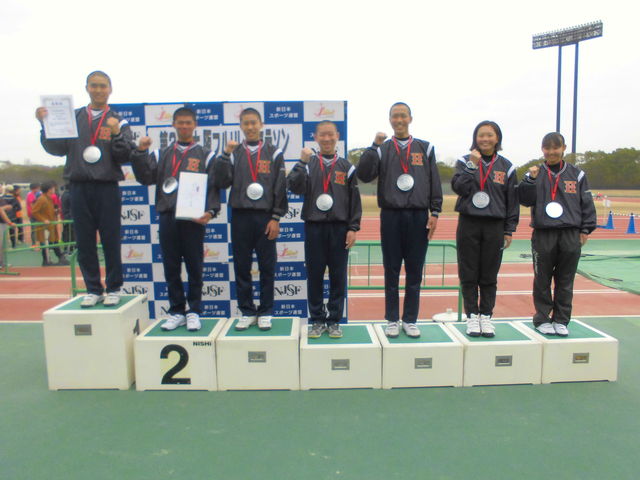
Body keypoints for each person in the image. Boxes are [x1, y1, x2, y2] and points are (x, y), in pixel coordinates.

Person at [35, 71, 134, 308]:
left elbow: (124, 155)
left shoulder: (118, 121)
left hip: (107, 187)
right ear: (87, 88)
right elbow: (57, 148)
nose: (98, 90)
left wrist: (117, 134)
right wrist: (44, 125)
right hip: (78, 186)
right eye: (94, 85)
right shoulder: (73, 117)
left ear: (110, 89)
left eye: (103, 86)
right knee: (84, 241)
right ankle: (93, 288)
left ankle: (114, 287)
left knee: (111, 240)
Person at [356, 102, 442, 338]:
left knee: (414, 272)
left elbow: (434, 181)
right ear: (390, 120)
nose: (399, 120)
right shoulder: (383, 149)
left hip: (418, 216)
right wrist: (373, 146)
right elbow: (364, 174)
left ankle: (410, 319)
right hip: (391, 215)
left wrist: (435, 212)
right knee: (391, 270)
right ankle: (392, 319)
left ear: (410, 119)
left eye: (403, 115)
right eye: (395, 116)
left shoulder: (425, 148)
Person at [130, 107, 220, 332]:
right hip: (168, 216)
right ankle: (177, 311)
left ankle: (195, 310)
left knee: (195, 267)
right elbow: (145, 177)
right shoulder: (161, 154)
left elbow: (213, 186)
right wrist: (140, 152)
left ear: (195, 125)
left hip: (193, 218)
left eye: (188, 122)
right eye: (180, 122)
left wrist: (211, 211)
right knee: (171, 266)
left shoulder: (206, 155)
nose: (184, 126)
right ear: (173, 125)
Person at [214, 108, 288, 331]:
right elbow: (222, 182)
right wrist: (224, 155)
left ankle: (265, 311)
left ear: (261, 124)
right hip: (240, 216)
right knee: (242, 266)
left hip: (266, 217)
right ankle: (246, 311)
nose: (250, 127)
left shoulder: (274, 153)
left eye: (254, 122)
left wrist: (276, 217)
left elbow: (280, 187)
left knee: (267, 267)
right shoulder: (234, 152)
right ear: (241, 126)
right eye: (246, 123)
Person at [287, 121, 362, 339]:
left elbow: (354, 200)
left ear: (337, 136)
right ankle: (317, 320)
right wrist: (301, 162)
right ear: (316, 137)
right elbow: (294, 186)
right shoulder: (308, 164)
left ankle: (334, 320)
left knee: (338, 276)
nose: (327, 139)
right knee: (315, 276)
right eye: (322, 135)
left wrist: (353, 227)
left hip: (339, 228)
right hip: (314, 227)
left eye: (331, 134)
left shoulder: (347, 167)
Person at [517, 132, 596, 336]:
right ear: (542, 149)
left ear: (563, 148)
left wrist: (586, 228)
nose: (551, 152)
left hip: (570, 233)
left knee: (565, 280)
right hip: (543, 233)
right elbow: (524, 200)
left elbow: (586, 203)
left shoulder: (577, 174)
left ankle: (561, 320)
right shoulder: (535, 173)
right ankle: (542, 319)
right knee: (542, 279)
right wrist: (529, 180)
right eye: (547, 148)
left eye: (555, 148)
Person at [451, 121, 519, 337]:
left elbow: (512, 201)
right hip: (469, 222)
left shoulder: (507, 167)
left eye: (490, 135)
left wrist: (509, 229)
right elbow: (459, 187)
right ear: (475, 138)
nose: (485, 139)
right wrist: (472, 165)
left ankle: (486, 316)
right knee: (468, 273)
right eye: (481, 135)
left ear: (497, 138)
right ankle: (472, 316)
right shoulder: (464, 161)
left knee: (489, 274)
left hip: (494, 225)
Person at [31, 182, 69, 266]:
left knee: (53, 241)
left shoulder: (49, 198)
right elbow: (34, 211)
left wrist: (55, 211)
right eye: (53, 188)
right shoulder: (42, 199)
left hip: (50, 225)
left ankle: (58, 258)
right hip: (44, 226)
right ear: (49, 190)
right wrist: (43, 220)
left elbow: (48, 210)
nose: (54, 190)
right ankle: (47, 260)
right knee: (46, 243)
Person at [0, 187, 16, 269]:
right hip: (1, 223)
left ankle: (2, 262)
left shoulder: (2, 198)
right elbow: (1, 211)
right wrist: (9, 222)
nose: (1, 188)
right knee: (1, 244)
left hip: (2, 223)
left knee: (3, 244)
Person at [26, 183, 41, 247]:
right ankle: (34, 244)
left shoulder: (35, 194)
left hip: (35, 214)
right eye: (38, 188)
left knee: (38, 229)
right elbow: (32, 205)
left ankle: (39, 243)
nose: (39, 189)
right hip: (33, 215)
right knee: (34, 229)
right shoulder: (30, 194)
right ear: (35, 188)